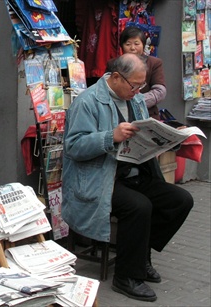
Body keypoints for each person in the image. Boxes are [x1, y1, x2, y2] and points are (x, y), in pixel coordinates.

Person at [61, 53, 193, 302]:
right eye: (134, 85)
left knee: (180, 200)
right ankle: (127, 276)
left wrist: (170, 136)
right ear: (116, 77)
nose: (138, 91)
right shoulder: (88, 102)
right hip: (99, 178)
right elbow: (73, 146)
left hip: (133, 171)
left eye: (141, 86)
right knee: (139, 206)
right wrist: (110, 136)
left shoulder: (135, 99)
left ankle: (139, 256)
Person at [107, 26, 166, 119]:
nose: (132, 48)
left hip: (147, 114)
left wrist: (135, 102)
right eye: (128, 44)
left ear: (143, 45)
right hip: (118, 114)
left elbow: (159, 91)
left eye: (136, 44)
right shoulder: (113, 64)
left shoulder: (154, 63)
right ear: (122, 46)